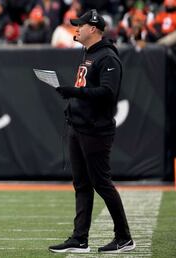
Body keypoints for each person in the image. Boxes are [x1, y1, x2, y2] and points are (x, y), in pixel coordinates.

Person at [48, 9, 136, 253]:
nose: (77, 29)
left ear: (94, 29)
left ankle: (124, 237)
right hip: (79, 126)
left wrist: (73, 93)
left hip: (96, 129)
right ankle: (80, 238)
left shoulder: (107, 57)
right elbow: (86, 89)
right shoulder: (88, 53)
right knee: (82, 184)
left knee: (101, 182)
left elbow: (108, 93)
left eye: (81, 25)